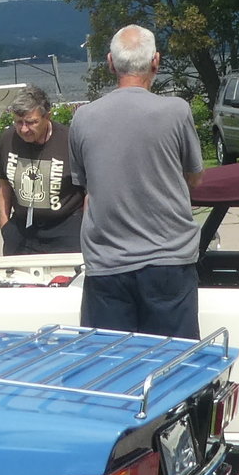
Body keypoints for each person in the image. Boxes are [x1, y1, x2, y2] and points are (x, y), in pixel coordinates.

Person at [67, 24, 205, 338]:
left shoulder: (83, 117)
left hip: (107, 265)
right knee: (174, 366)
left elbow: (85, 184)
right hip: (168, 261)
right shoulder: (177, 111)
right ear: (156, 61)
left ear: (110, 63)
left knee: (109, 370)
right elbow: (195, 177)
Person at [0, 86, 83, 255]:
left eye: (31, 122)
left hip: (65, 230)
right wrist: (4, 223)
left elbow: (88, 188)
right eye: (19, 122)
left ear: (47, 116)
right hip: (21, 231)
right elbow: (3, 183)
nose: (24, 129)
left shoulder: (69, 140)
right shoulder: (8, 139)